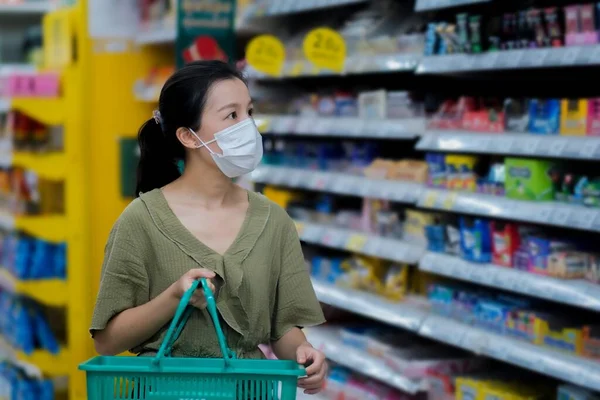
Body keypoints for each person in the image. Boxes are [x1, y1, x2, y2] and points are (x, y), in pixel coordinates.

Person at [90, 60, 327, 395]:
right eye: (231, 115)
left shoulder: (274, 221)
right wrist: (175, 297)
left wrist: (304, 353)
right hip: (166, 390)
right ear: (187, 135)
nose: (248, 126)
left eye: (249, 112)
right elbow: (107, 341)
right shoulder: (141, 220)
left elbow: (284, 328)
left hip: (248, 391)